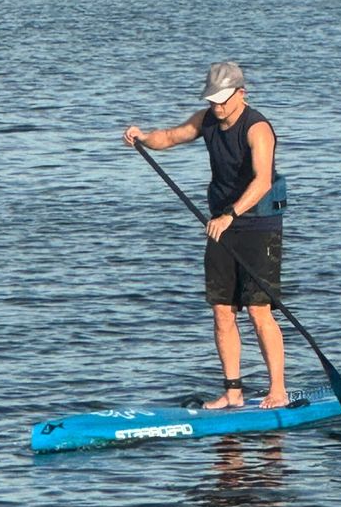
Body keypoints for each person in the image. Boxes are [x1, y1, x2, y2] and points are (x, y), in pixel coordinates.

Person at [123, 60, 288, 411]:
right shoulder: (207, 119)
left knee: (259, 311)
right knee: (222, 311)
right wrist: (142, 138)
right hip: (221, 225)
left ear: (241, 94)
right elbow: (169, 137)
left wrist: (230, 214)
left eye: (223, 99)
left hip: (258, 226)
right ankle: (232, 391)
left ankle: (278, 390)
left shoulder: (258, 129)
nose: (217, 106)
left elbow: (262, 182)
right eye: (212, 99)